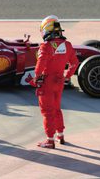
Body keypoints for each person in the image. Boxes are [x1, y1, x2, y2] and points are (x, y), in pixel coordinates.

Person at [30, 15, 79, 149]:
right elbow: (75, 63)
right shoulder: (67, 45)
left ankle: (50, 140)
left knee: (47, 111)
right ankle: (60, 135)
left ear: (46, 30)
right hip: (59, 81)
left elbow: (39, 68)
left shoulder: (45, 46)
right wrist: (67, 76)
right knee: (57, 108)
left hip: (47, 81)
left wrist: (37, 80)